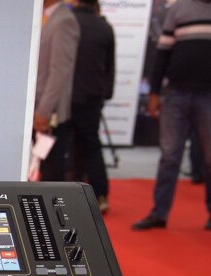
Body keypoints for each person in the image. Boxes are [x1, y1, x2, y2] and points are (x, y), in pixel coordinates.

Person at [133, 0, 211, 233]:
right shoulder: (179, 8)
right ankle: (159, 213)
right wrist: (154, 91)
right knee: (169, 156)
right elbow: (163, 52)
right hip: (177, 92)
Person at [69, 0, 116, 212]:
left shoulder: (68, 22)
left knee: (65, 146)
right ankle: (100, 195)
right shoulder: (104, 26)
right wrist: (105, 93)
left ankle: (67, 196)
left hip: (67, 96)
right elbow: (110, 66)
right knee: (91, 146)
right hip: (93, 96)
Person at [34, 0, 80, 181]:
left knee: (51, 171)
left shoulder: (64, 21)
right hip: (35, 108)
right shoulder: (43, 17)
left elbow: (59, 72)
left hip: (49, 113)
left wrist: (44, 111)